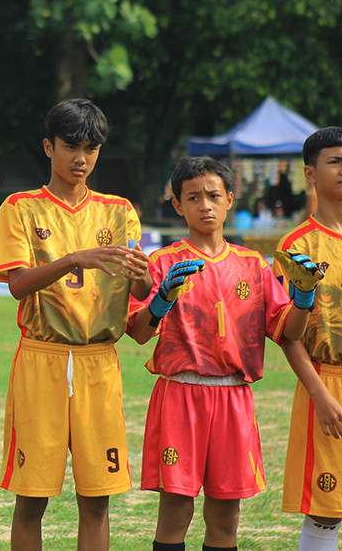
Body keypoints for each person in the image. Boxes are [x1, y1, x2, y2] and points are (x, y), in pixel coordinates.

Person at [127, 155, 319, 551]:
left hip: (234, 397)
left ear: (230, 199)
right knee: (175, 510)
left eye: (214, 195)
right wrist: (162, 300)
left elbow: (288, 331)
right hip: (180, 394)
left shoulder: (253, 265)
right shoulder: (163, 262)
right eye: (193, 197)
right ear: (177, 205)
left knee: (226, 516)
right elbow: (140, 333)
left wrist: (303, 296)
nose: (205, 205)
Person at [0, 98, 151, 551]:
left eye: (91, 149)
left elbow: (139, 290)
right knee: (31, 498)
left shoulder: (119, 210)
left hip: (100, 362)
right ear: (49, 147)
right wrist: (75, 258)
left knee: (97, 499)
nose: (81, 158)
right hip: (43, 360)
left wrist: (145, 277)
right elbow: (17, 285)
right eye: (71, 147)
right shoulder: (20, 207)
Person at [277, 127, 342, 551]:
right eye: (335, 161)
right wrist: (320, 395)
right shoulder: (297, 246)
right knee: (326, 507)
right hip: (326, 382)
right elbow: (288, 336)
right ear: (310, 173)